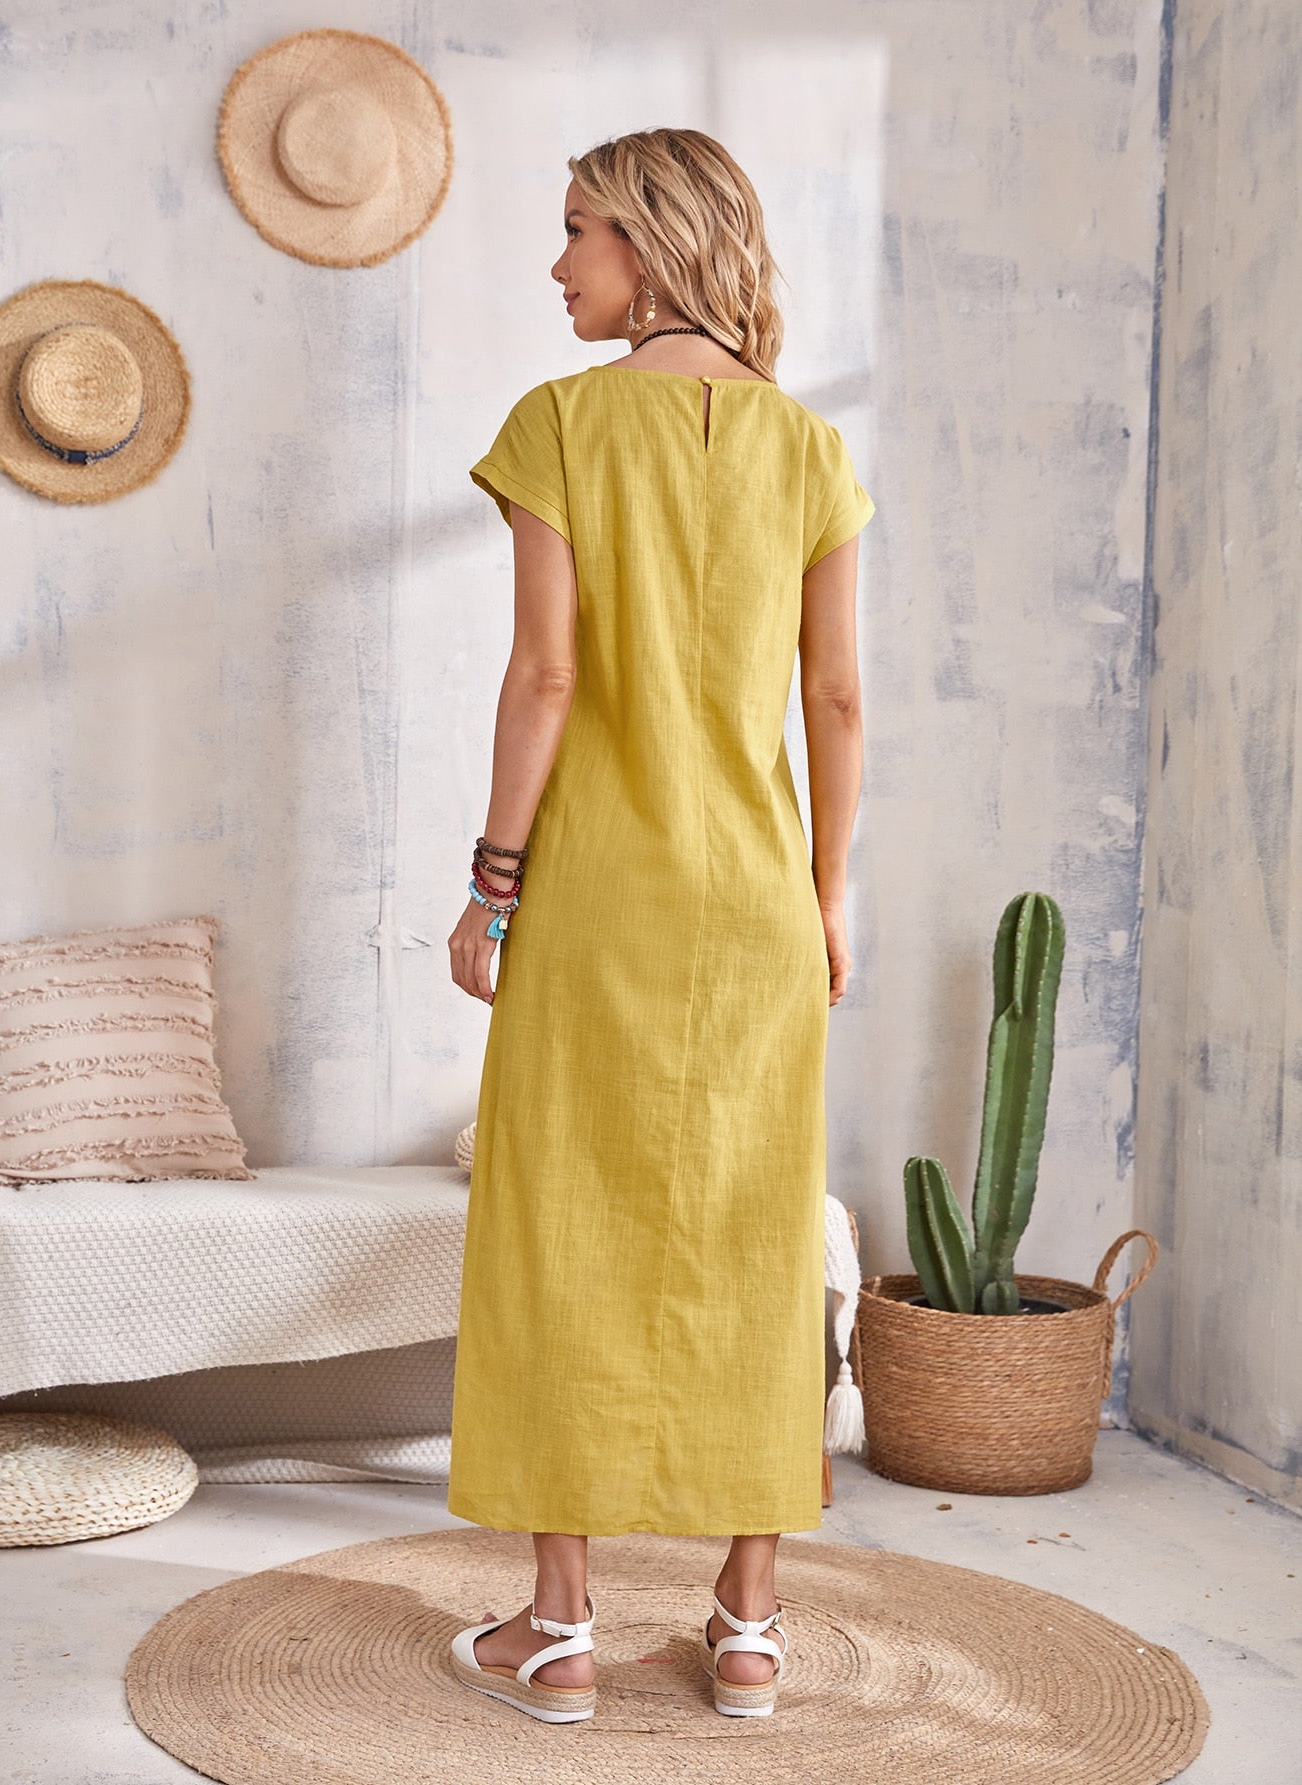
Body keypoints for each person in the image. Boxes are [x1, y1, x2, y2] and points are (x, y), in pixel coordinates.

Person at [445, 126, 874, 1724]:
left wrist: (491, 880)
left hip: (595, 898)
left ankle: (561, 1628)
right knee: (758, 1236)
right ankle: (747, 1624)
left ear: (653, 240)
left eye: (580, 229)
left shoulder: (560, 425)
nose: (558, 263)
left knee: (556, 1223)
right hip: (757, 903)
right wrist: (829, 891)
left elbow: (546, 676)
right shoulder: (812, 449)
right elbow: (836, 695)